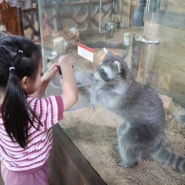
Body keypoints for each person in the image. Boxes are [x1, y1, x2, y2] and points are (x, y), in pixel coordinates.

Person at [0, 35, 78, 185]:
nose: (41, 74)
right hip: (32, 176)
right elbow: (71, 96)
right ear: (24, 82)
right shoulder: (37, 111)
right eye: (39, 72)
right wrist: (66, 64)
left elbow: (27, 101)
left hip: (11, 169)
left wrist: (46, 79)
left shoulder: (9, 102)